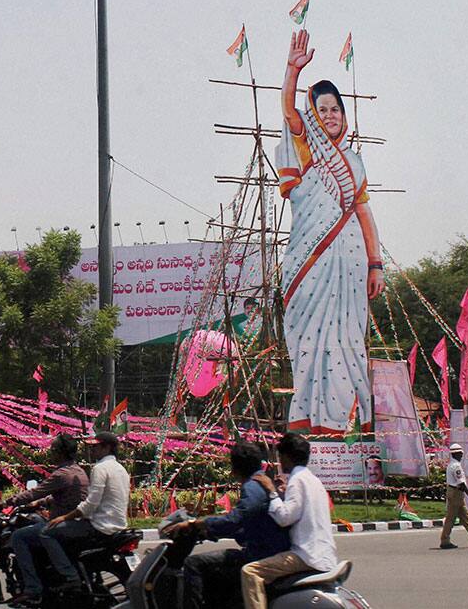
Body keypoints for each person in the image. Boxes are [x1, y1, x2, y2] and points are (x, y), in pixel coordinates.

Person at [276, 30, 384, 434]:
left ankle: (344, 425)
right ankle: (307, 423)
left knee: (348, 344)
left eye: (336, 108)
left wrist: (376, 264)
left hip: (351, 269)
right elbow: (289, 112)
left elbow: (364, 214)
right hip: (310, 264)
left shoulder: (354, 164)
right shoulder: (305, 148)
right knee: (308, 341)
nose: (331, 115)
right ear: (313, 117)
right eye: (322, 110)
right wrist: (292, 70)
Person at [165, 442, 290, 609]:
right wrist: (208, 532)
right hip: (266, 549)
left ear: (235, 468)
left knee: (193, 564)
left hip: (259, 554)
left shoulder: (253, 486)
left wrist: (197, 523)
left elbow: (235, 520)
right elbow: (245, 526)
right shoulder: (262, 482)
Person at [243, 433, 337, 609]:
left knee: (250, 572)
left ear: (286, 457)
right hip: (324, 554)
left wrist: (271, 491)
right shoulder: (313, 480)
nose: (280, 462)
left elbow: (285, 518)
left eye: (280, 457)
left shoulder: (297, 480)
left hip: (305, 556)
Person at [4, 434, 89, 608]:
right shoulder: (78, 471)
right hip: (77, 522)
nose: (50, 453)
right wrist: (41, 503)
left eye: (53, 449)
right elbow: (62, 495)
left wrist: (9, 501)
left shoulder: (61, 474)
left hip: (66, 524)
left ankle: (32, 588)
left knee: (19, 537)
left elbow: (34, 492)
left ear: (61, 453)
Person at [43, 432, 131, 599]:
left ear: (107, 448)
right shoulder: (121, 469)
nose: (92, 450)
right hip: (118, 525)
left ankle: (71, 577)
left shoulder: (100, 468)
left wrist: (64, 517)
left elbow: (90, 504)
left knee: (47, 533)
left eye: (96, 446)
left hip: (99, 527)